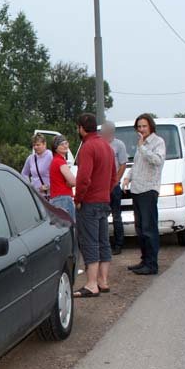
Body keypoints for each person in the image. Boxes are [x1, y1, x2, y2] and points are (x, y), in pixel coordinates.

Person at [72, 113, 118, 298]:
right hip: (104, 200)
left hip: (90, 202)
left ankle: (91, 284)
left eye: (78, 127)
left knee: (89, 242)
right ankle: (103, 281)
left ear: (82, 128)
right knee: (103, 241)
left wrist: (78, 199)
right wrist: (105, 191)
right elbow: (114, 176)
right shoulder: (106, 146)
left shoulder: (87, 147)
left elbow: (83, 178)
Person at [123, 113, 166, 276]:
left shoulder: (157, 142)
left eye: (144, 126)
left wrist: (142, 147)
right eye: (139, 127)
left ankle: (152, 264)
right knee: (140, 229)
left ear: (151, 126)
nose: (141, 129)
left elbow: (157, 161)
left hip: (149, 189)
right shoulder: (140, 144)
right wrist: (128, 177)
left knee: (149, 229)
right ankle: (144, 261)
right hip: (137, 189)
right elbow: (137, 165)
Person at [101, 120, 128, 254]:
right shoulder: (99, 144)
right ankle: (105, 244)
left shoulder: (119, 145)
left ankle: (118, 244)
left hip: (114, 186)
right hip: (101, 186)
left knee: (116, 215)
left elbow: (123, 164)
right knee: (103, 216)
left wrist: (115, 180)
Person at [48, 135, 76, 221]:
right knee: (71, 228)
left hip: (55, 198)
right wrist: (69, 183)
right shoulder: (60, 161)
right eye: (61, 144)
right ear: (56, 148)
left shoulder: (55, 160)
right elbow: (73, 181)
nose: (65, 146)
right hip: (63, 199)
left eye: (66, 143)